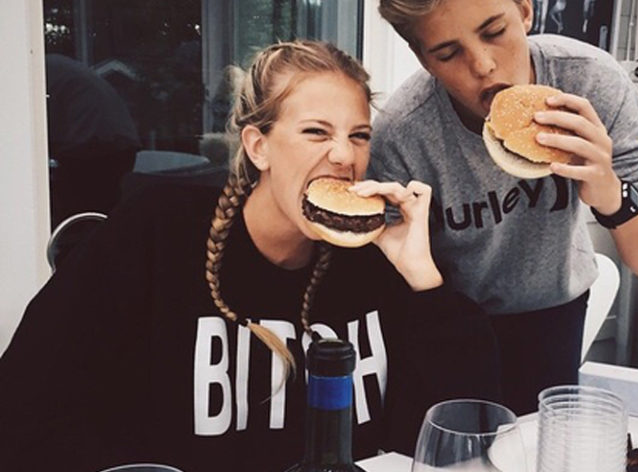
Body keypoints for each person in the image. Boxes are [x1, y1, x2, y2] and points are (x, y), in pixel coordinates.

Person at [0, 41, 501, 471]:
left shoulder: (376, 258)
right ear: (258, 147)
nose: (345, 157)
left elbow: (462, 433)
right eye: (316, 132)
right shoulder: (158, 232)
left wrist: (422, 276)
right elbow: (29, 401)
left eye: (359, 136)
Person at [368, 0, 638, 415]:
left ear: (526, 11)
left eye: (495, 32)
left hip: (555, 317)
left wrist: (609, 192)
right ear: (422, 58)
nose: (482, 65)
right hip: (448, 325)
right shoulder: (403, 133)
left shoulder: (588, 82)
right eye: (448, 53)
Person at [46, 53, 141, 228]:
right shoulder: (52, 67)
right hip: (116, 142)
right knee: (100, 214)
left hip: (94, 144)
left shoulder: (32, 73)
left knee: (78, 217)